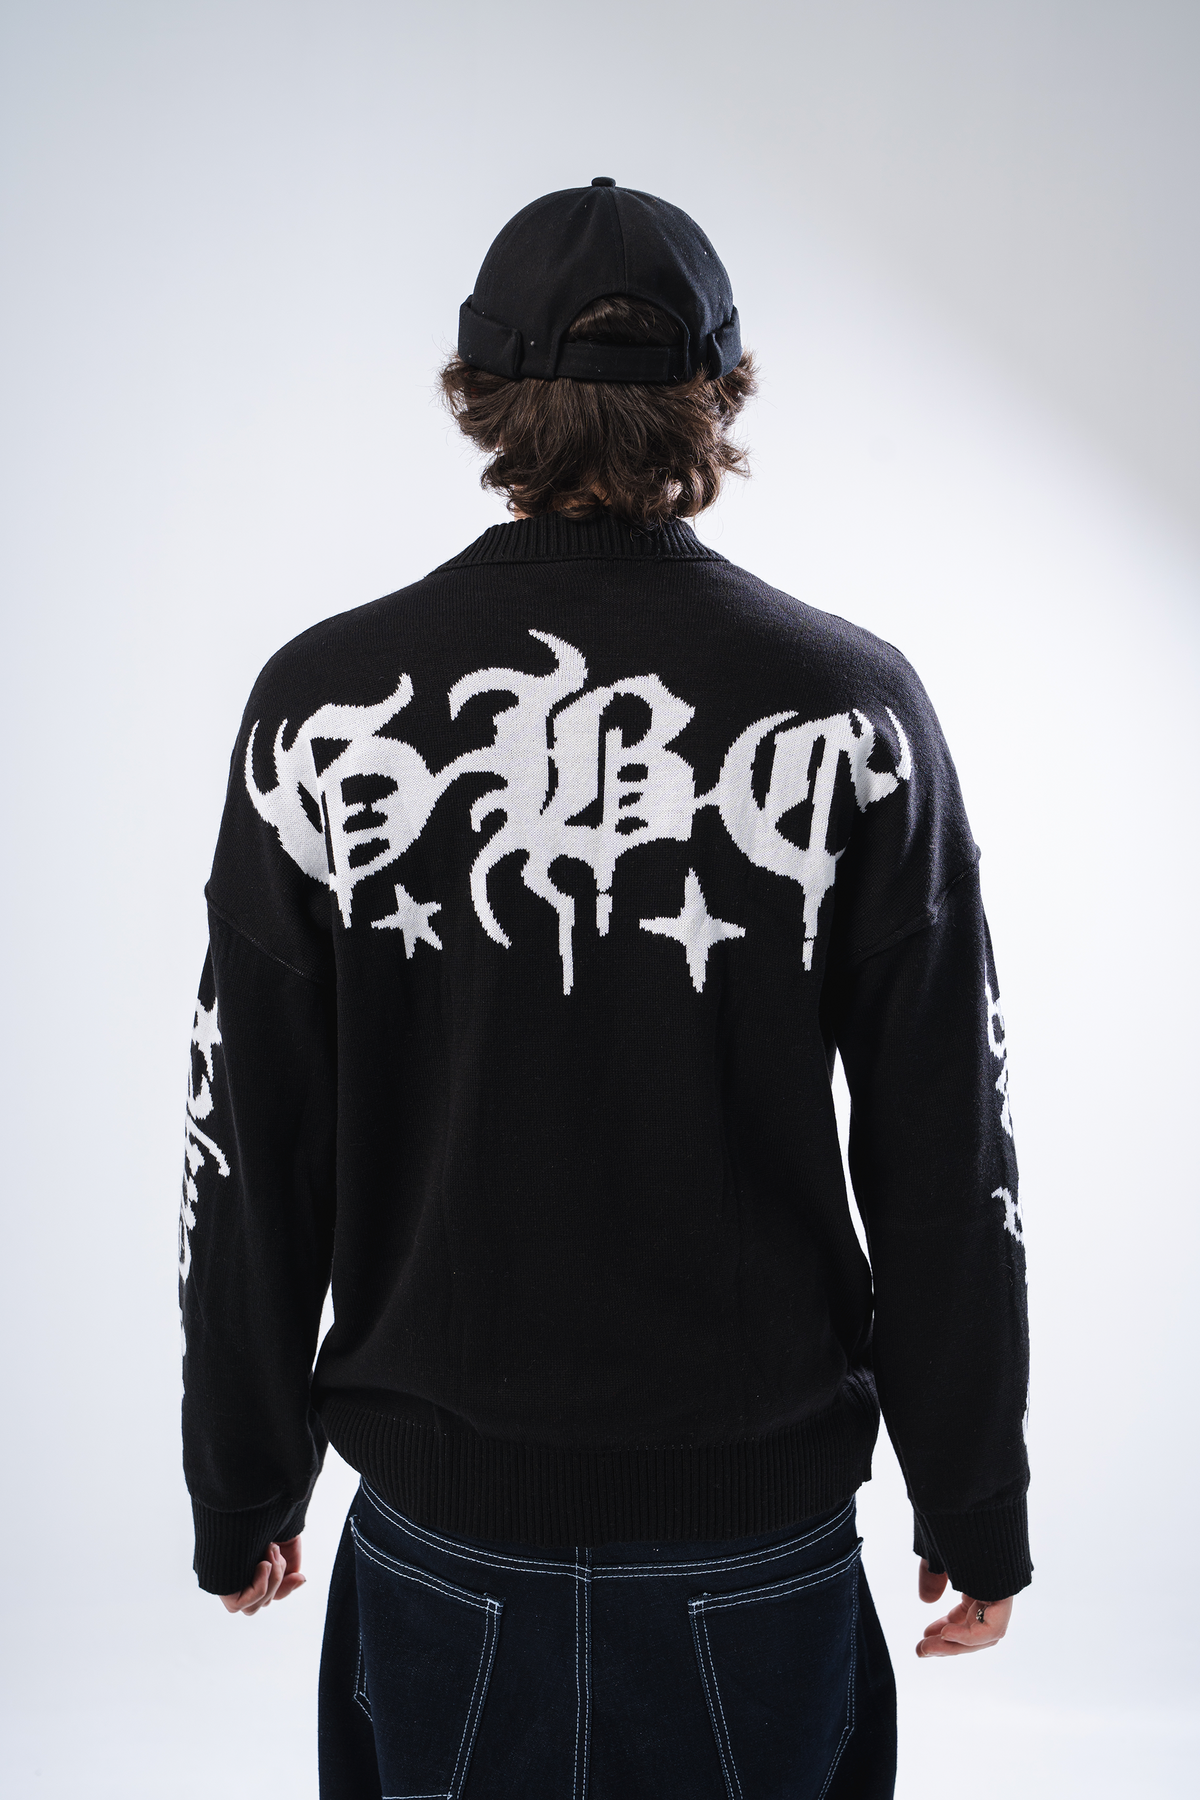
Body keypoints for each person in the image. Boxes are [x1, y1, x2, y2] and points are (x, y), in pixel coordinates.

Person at [179, 178, 1030, 1799]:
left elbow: (249, 1139)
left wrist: (244, 1482)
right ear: (719, 395)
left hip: (444, 1543)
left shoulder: (324, 708)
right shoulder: (854, 713)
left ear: (479, 396)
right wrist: (972, 1496)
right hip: (756, 1547)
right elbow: (946, 1152)